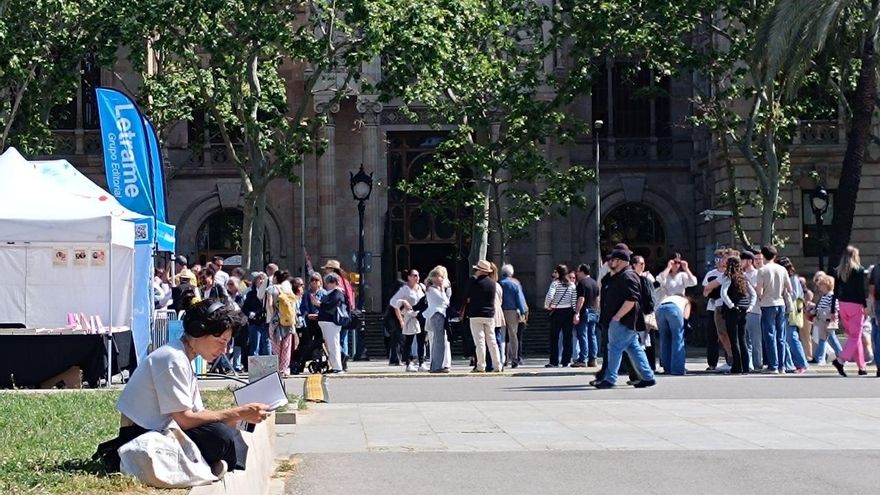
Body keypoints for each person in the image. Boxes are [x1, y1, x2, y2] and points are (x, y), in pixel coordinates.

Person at [107, 299, 269, 477]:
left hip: (166, 429)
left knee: (230, 432)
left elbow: (198, 413)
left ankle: (209, 462)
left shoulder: (182, 357)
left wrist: (243, 418)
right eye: (220, 341)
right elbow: (186, 419)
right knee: (221, 436)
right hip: (141, 434)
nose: (223, 349)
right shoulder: (172, 358)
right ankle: (208, 464)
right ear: (198, 331)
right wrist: (237, 413)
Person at [592, 249, 656, 388]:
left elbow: (632, 299)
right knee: (634, 347)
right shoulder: (618, 276)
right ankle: (648, 376)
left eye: (613, 260)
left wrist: (617, 316)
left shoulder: (628, 276)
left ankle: (610, 379)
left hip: (623, 320)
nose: (610, 262)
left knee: (614, 348)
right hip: (623, 320)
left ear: (620, 261)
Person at [831, 245, 869, 377]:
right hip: (855, 305)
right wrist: (865, 305)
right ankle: (840, 360)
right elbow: (860, 290)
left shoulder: (838, 271)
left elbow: (835, 292)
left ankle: (861, 366)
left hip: (842, 305)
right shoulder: (859, 270)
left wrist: (832, 309)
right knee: (855, 336)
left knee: (854, 337)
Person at [756, 245, 792, 374]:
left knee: (769, 335)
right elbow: (790, 288)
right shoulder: (782, 269)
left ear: (763, 255)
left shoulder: (762, 270)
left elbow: (759, 290)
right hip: (780, 302)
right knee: (780, 336)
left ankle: (773, 365)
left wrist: (760, 297)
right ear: (775, 256)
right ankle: (782, 366)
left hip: (767, 303)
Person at [464, 260, 501, 372]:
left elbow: (466, 295)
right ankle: (497, 365)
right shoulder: (492, 283)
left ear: (480, 270)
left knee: (479, 341)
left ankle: (481, 365)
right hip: (489, 314)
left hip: (475, 314)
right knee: (492, 341)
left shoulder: (474, 282)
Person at [720, 256, 756, 374]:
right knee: (742, 339)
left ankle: (736, 367)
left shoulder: (728, 277)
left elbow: (723, 293)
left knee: (733, 340)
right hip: (744, 310)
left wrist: (731, 305)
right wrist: (750, 307)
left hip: (732, 311)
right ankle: (745, 367)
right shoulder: (743, 278)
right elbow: (753, 294)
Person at [389, 268, 428, 372]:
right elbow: (393, 302)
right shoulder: (405, 289)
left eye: (418, 275)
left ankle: (421, 362)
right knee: (409, 340)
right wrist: (403, 302)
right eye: (414, 275)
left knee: (421, 339)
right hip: (410, 316)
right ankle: (408, 362)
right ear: (409, 277)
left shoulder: (421, 287)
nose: (417, 278)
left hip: (421, 315)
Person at [321, 260, 356, 366]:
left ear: (332, 269)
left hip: (337, 314)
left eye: (327, 269)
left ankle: (342, 357)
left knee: (337, 340)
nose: (326, 271)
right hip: (345, 312)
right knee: (342, 338)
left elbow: (335, 299)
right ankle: (343, 360)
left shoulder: (335, 281)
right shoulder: (345, 281)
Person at [777, 257, 809, 373]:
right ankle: (792, 363)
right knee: (787, 337)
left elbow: (795, 295)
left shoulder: (792, 279)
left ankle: (802, 363)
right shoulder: (791, 278)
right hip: (791, 308)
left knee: (792, 337)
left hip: (793, 309)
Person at [544, 264, 577, 368]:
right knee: (568, 337)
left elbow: (550, 295)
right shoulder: (572, 285)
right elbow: (574, 300)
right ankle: (566, 360)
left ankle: (554, 361)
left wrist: (547, 305)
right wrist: (575, 311)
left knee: (554, 337)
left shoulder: (555, 284)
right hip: (568, 311)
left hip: (557, 311)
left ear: (558, 273)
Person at [317, 273, 347, 373]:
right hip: (326, 322)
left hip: (331, 322)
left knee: (333, 344)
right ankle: (334, 365)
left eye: (328, 282)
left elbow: (331, 306)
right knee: (330, 345)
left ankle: (337, 367)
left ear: (334, 282)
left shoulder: (337, 293)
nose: (326, 284)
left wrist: (319, 304)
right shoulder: (331, 293)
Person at [499, 264, 527, 368]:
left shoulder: (499, 284)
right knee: (513, 336)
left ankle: (503, 358)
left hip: (500, 311)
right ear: (511, 273)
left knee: (501, 336)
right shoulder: (515, 284)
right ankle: (514, 358)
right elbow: (520, 299)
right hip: (512, 311)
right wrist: (523, 311)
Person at [424, 265, 451, 373]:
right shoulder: (431, 289)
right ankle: (436, 365)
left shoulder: (437, 289)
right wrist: (442, 289)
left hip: (440, 315)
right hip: (437, 314)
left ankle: (436, 364)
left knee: (439, 341)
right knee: (438, 341)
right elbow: (444, 301)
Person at [655, 292, 690, 375]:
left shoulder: (668, 298)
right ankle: (677, 369)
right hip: (674, 310)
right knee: (678, 339)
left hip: (659, 310)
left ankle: (667, 368)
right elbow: (686, 316)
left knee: (664, 340)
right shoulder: (686, 300)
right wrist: (684, 327)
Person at [811, 274, 842, 366]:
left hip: (828, 321)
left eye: (821, 285)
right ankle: (841, 355)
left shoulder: (831, 296)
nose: (820, 287)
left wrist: (825, 314)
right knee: (828, 339)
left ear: (827, 285)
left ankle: (820, 358)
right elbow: (820, 308)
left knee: (824, 339)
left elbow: (835, 308)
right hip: (823, 321)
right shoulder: (825, 296)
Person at [573, 264, 600, 368]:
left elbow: (581, 299)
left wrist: (577, 312)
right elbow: (597, 299)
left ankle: (582, 359)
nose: (577, 273)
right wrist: (597, 310)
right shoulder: (594, 283)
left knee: (583, 335)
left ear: (583, 272)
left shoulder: (582, 283)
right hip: (593, 310)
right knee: (592, 335)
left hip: (584, 311)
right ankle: (593, 359)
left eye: (578, 271)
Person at [742, 250, 763, 372]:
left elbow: (757, 292)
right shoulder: (741, 274)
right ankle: (748, 364)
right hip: (744, 310)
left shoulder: (757, 274)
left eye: (743, 260)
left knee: (756, 340)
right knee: (745, 339)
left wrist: (748, 282)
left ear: (749, 261)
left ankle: (758, 364)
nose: (741, 262)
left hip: (755, 310)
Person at [241, 272, 270, 356]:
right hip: (254, 322)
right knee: (254, 345)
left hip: (266, 322)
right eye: (259, 279)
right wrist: (250, 313)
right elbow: (245, 307)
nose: (261, 281)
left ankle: (268, 366)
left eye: (263, 279)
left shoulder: (268, 293)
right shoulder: (251, 294)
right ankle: (255, 366)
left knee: (266, 344)